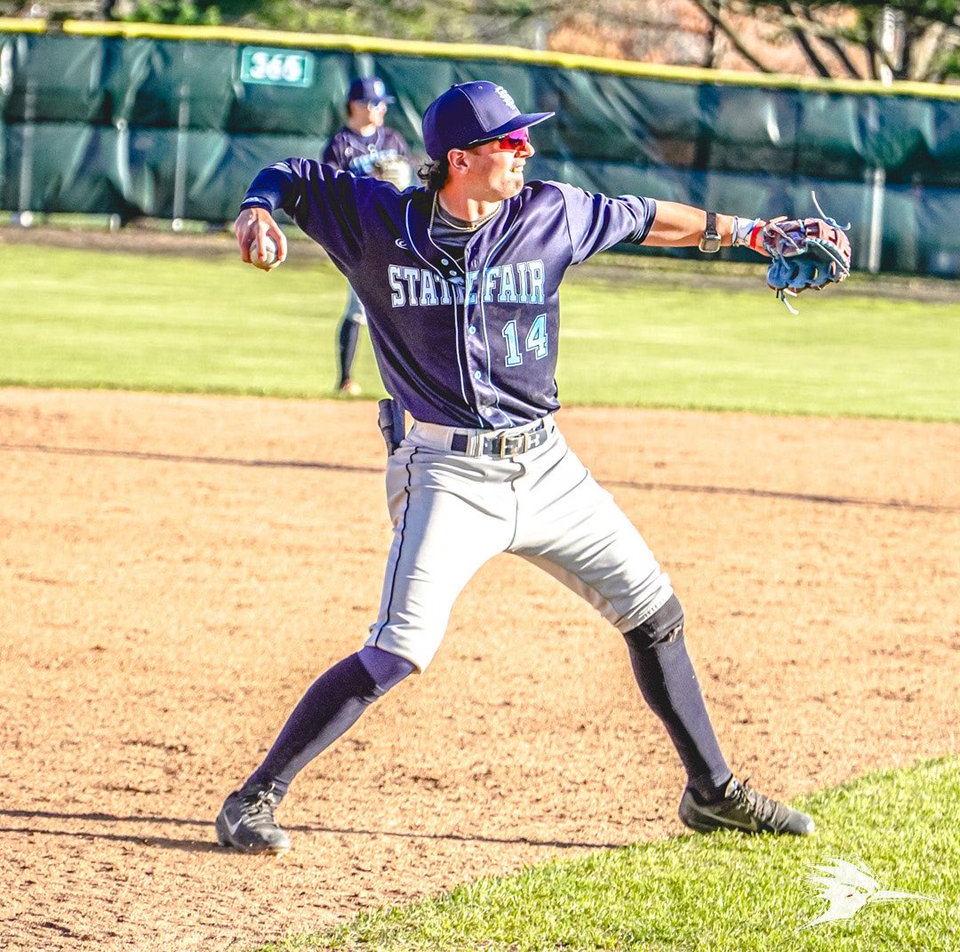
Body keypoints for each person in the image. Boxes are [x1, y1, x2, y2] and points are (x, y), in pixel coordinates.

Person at [219, 79, 825, 856]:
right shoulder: (375, 219)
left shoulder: (549, 212)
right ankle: (252, 799)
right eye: (511, 141)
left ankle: (712, 793)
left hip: (547, 467)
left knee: (655, 612)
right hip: (444, 473)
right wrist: (255, 208)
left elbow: (644, 218)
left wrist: (754, 234)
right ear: (461, 159)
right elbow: (291, 176)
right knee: (399, 647)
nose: (526, 150)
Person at [322, 75, 413, 396]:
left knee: (410, 307)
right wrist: (367, 181)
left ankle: (412, 382)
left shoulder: (393, 140)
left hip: (397, 236)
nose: (379, 110)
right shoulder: (339, 146)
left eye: (382, 104)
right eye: (373, 103)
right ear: (354, 106)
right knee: (358, 308)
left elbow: (409, 190)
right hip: (360, 239)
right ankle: (345, 379)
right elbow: (329, 194)